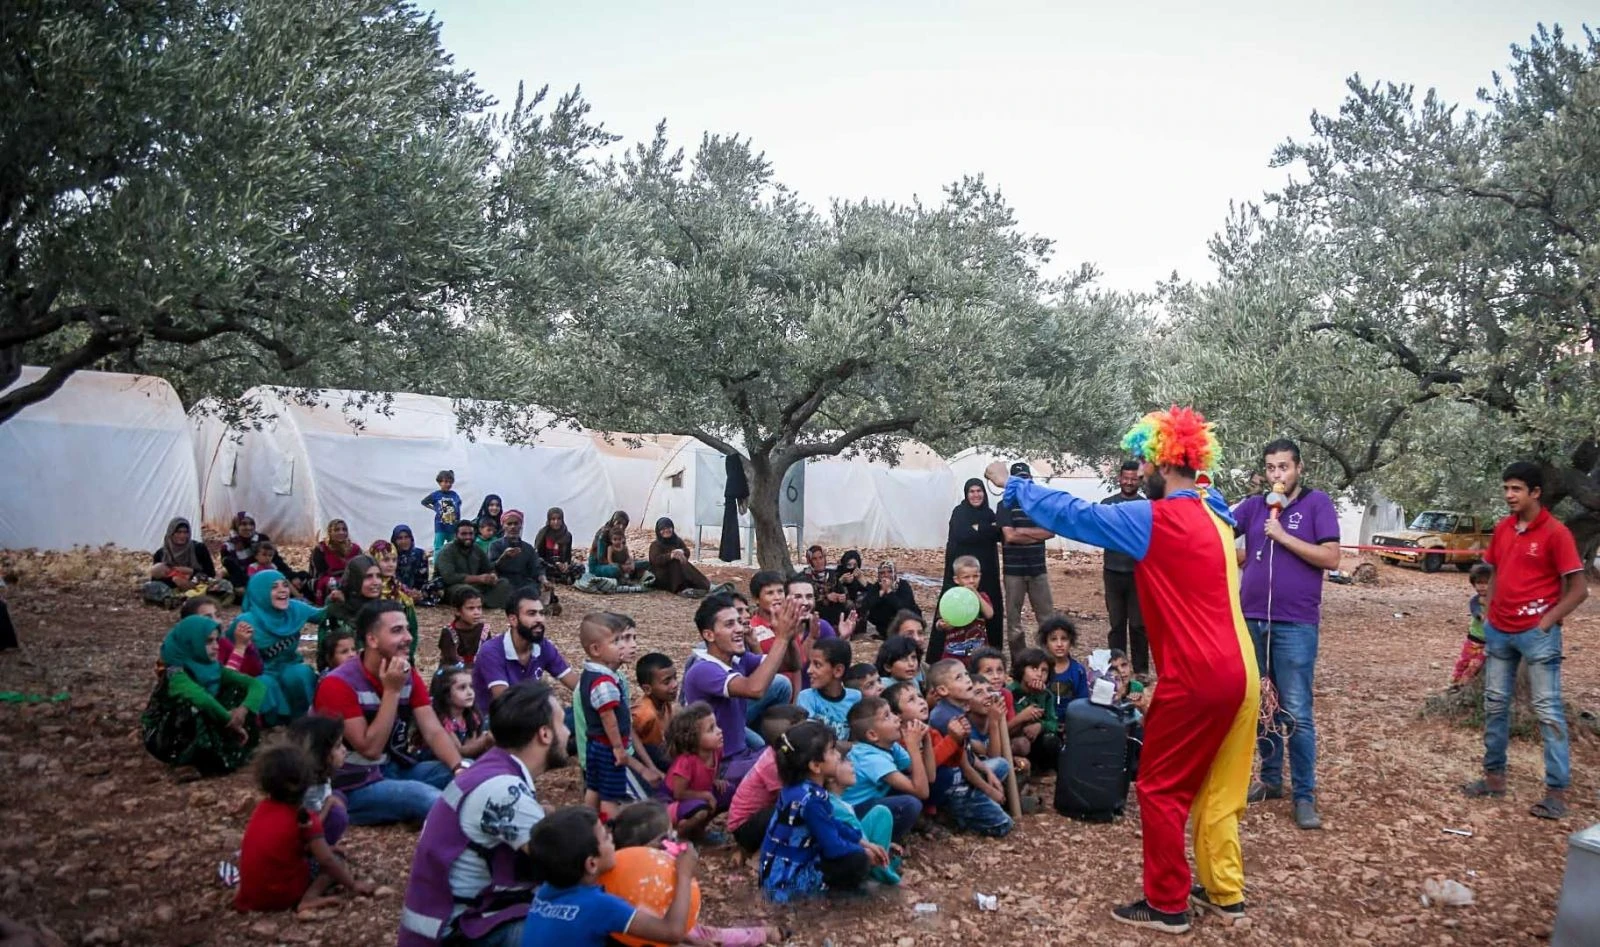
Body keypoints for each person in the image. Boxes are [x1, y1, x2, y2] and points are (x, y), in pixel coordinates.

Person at [984, 406, 1259, 933]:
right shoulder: (1214, 509)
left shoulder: (1156, 519)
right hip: (1242, 669)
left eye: (1144, 462)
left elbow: (1075, 515)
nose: (1139, 473)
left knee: (1158, 786)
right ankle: (1225, 893)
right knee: (1221, 789)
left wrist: (1014, 485)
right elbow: (1212, 496)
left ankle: (1167, 904)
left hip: (1198, 674)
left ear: (1161, 461)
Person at [398, 681, 571, 947]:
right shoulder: (503, 789)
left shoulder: (491, 769)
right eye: (562, 723)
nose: (569, 732)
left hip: (446, 923)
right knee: (577, 924)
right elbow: (567, 864)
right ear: (545, 734)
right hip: (457, 933)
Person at [1463, 461, 1588, 820]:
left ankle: (1557, 791)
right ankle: (1493, 777)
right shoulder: (1504, 528)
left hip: (1537, 634)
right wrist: (1488, 611)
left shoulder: (1557, 533)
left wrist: (1548, 620)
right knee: (1495, 705)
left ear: (1535, 493)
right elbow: (1496, 570)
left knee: (1548, 711)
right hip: (1500, 630)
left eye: (1516, 489)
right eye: (1506, 489)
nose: (1508, 495)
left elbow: (1578, 589)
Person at [1232, 438, 1341, 830]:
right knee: (1264, 703)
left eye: (1284, 467)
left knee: (1295, 710)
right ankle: (1271, 779)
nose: (1277, 475)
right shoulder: (1255, 505)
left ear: (1299, 468)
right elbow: (1222, 529)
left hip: (1295, 624)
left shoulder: (1317, 504)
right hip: (1253, 619)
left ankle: (1305, 796)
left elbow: (1331, 557)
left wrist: (1282, 536)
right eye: (1271, 468)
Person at [313, 599, 465, 825]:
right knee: (425, 797)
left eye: (406, 629)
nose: (408, 637)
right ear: (371, 639)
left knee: (472, 774)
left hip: (392, 768)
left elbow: (433, 730)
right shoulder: (337, 684)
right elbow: (370, 749)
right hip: (352, 783)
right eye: (397, 631)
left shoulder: (406, 672)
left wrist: (458, 768)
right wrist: (391, 692)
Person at [518, 806, 698, 946]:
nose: (612, 838)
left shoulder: (548, 889)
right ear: (591, 864)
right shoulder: (599, 906)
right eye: (605, 837)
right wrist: (684, 873)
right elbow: (672, 933)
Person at [608, 802, 783, 946]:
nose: (673, 842)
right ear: (639, 850)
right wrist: (684, 874)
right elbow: (668, 932)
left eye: (673, 835)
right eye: (665, 839)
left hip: (677, 927)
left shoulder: (646, 874)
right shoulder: (624, 890)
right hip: (661, 935)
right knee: (706, 935)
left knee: (707, 933)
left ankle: (762, 934)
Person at [234, 743, 373, 912]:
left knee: (328, 854)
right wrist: (352, 884)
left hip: (250, 897)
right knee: (337, 861)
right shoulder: (305, 817)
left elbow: (287, 844)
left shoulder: (262, 809)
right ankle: (309, 898)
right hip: (281, 896)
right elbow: (326, 860)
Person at [760, 720, 888, 903]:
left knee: (856, 851)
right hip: (789, 880)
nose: (838, 755)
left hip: (773, 871)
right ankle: (838, 899)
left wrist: (862, 841)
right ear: (815, 766)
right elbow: (834, 847)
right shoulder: (812, 800)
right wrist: (863, 851)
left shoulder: (795, 788)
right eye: (832, 750)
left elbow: (831, 823)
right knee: (856, 860)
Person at [680, 594, 798, 780]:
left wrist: (789, 636)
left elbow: (791, 664)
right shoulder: (703, 669)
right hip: (720, 767)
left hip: (741, 754)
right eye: (729, 625)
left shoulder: (736, 658)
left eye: (738, 622)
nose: (739, 629)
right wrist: (781, 639)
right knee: (796, 761)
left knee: (803, 749)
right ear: (709, 635)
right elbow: (755, 689)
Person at [141, 614, 265, 775]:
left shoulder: (212, 668)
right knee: (191, 706)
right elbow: (202, 699)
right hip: (166, 735)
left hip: (209, 718)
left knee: (238, 690)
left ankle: (224, 752)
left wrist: (243, 710)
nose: (216, 646)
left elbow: (256, 685)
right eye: (208, 641)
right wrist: (231, 721)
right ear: (191, 642)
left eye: (216, 640)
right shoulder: (176, 674)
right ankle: (185, 761)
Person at [578, 613, 661, 816]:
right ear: (596, 649)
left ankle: (589, 821)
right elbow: (608, 717)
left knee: (594, 788)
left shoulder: (591, 674)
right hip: (609, 747)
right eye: (616, 641)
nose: (623, 646)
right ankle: (609, 828)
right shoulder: (604, 682)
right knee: (610, 796)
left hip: (595, 745)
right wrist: (618, 747)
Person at [924, 660, 1014, 838]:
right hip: (953, 784)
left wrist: (988, 772)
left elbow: (970, 756)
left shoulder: (957, 711)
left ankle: (979, 798)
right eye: (959, 677)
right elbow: (964, 766)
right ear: (943, 690)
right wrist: (990, 791)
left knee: (1001, 765)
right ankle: (956, 814)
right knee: (1004, 825)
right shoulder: (947, 719)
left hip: (965, 774)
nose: (967, 680)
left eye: (966, 674)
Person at [228, 570, 325, 724]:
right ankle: (274, 726)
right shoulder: (246, 621)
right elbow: (225, 652)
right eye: (274, 587)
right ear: (261, 592)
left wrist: (340, 599)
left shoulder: (294, 609)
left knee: (299, 674)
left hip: (290, 664)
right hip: (260, 671)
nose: (282, 590)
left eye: (285, 585)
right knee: (265, 684)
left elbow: (324, 615)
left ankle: (305, 720)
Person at [473, 587, 580, 716]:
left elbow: (576, 685)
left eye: (541, 613)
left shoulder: (543, 646)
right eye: (531, 613)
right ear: (513, 619)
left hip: (530, 717)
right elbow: (505, 703)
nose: (540, 619)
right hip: (494, 723)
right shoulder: (491, 651)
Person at [840, 697, 931, 844]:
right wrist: (913, 746)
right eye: (887, 716)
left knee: (914, 780)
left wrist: (926, 739)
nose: (897, 718)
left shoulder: (890, 746)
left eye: (893, 713)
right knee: (910, 804)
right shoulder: (869, 757)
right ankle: (883, 843)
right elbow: (922, 792)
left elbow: (929, 777)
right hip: (852, 814)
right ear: (872, 735)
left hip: (871, 801)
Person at [728, 706, 810, 857]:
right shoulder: (773, 764)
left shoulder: (779, 754)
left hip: (755, 819)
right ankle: (756, 850)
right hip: (744, 827)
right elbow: (787, 797)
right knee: (791, 805)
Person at [995, 463, 1056, 655]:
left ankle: (1048, 661)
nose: (1024, 483)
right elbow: (1010, 536)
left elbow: (1051, 532)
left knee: (1047, 619)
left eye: (1027, 479)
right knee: (1014, 623)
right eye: (1019, 480)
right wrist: (1036, 534)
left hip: (1038, 570)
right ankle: (1019, 664)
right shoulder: (1004, 504)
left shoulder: (1040, 506)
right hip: (1014, 572)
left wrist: (1021, 531)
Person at [942, 478, 1005, 649]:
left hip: (986, 574)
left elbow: (999, 533)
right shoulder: (959, 512)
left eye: (979, 491)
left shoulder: (989, 513)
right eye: (972, 491)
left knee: (988, 611)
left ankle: (991, 653)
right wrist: (987, 529)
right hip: (962, 574)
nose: (976, 495)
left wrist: (978, 528)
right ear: (966, 494)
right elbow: (962, 534)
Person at [1103, 461, 1149, 674]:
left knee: (1139, 626)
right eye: (1126, 478)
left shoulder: (1146, 506)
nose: (1129, 482)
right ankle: (1116, 669)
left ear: (1139, 480)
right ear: (1119, 478)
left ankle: (1140, 671)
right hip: (1112, 572)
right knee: (1117, 625)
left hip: (1138, 574)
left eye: (1134, 478)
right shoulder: (1107, 505)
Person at [660, 701, 729, 840]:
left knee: (728, 792)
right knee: (701, 809)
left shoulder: (716, 750)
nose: (719, 731)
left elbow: (709, 773)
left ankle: (699, 830)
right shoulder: (686, 762)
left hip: (696, 795)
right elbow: (678, 793)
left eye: (716, 725)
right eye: (711, 729)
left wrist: (715, 781)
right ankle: (680, 835)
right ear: (693, 739)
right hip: (671, 801)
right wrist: (706, 795)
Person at [288, 714, 351, 854]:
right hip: (301, 838)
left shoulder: (319, 775)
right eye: (338, 746)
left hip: (313, 814)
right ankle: (317, 852)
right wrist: (329, 803)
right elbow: (310, 824)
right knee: (337, 815)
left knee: (339, 796)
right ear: (320, 753)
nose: (344, 750)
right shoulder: (310, 787)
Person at [145, 516, 232, 605]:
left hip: (198, 585)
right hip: (173, 589)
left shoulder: (199, 548)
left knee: (224, 585)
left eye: (185, 532)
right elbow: (155, 579)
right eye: (178, 532)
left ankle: (194, 599)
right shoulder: (161, 553)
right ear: (171, 533)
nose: (182, 536)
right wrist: (175, 581)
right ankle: (176, 600)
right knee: (150, 587)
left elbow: (210, 573)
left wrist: (191, 573)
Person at [928, 554, 995, 663]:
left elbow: (989, 614)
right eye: (966, 577)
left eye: (975, 576)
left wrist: (976, 594)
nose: (972, 581)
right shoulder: (950, 598)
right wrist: (942, 625)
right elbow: (940, 622)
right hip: (954, 652)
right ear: (957, 580)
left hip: (978, 653)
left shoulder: (982, 596)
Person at [437, 520, 514, 612]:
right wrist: (479, 578)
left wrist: (492, 576)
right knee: (466, 591)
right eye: (464, 534)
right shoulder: (447, 551)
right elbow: (449, 577)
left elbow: (488, 567)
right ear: (456, 535)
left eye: (471, 534)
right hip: (453, 587)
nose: (468, 537)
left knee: (503, 583)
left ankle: (479, 602)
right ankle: (482, 602)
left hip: (476, 586)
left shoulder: (476, 548)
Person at [221, 512, 304, 597]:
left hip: (269, 572)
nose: (248, 527)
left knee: (301, 578)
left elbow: (277, 560)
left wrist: (292, 576)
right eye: (243, 524)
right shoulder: (228, 547)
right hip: (246, 578)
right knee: (239, 592)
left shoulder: (262, 539)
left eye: (251, 524)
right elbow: (234, 571)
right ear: (236, 526)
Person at [797, 638, 861, 742]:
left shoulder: (856, 698)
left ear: (838, 671)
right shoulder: (807, 697)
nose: (809, 670)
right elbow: (811, 740)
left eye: (817, 665)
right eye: (810, 664)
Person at [1006, 647, 1060, 771]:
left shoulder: (1046, 695)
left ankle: (1042, 770)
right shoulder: (1011, 692)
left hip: (1035, 740)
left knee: (1052, 740)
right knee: (1021, 744)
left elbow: (1053, 723)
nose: (1039, 674)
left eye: (1044, 671)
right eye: (1034, 668)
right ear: (1022, 670)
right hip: (1014, 739)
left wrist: (1040, 726)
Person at [425, 667, 494, 761]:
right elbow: (460, 752)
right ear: (446, 695)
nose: (470, 692)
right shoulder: (442, 719)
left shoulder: (471, 715)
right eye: (462, 688)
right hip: (439, 761)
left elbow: (471, 747)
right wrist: (485, 738)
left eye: (471, 686)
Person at [318, 555, 382, 655]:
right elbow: (325, 650)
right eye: (368, 577)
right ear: (355, 579)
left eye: (378, 576)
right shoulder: (336, 607)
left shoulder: (382, 607)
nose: (376, 582)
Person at [633, 653, 678, 771]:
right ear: (647, 689)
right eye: (667, 682)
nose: (675, 684)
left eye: (675, 678)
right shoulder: (645, 714)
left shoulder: (665, 704)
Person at [490, 510, 547, 602]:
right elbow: (491, 567)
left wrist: (544, 580)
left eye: (516, 524)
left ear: (521, 526)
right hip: (504, 581)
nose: (513, 527)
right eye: (509, 524)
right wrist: (504, 557)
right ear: (503, 526)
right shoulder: (495, 545)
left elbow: (536, 568)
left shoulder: (528, 548)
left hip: (523, 582)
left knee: (532, 588)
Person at [1451, 564, 1493, 687]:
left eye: (1486, 583)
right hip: (1473, 639)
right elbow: (1475, 611)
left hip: (1488, 642)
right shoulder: (1476, 600)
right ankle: (1455, 679)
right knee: (1463, 661)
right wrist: (1481, 615)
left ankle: (1464, 683)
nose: (1483, 587)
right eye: (1479, 583)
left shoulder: (1497, 600)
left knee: (1475, 664)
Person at [649, 517, 712, 597]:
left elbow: (687, 552)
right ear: (658, 531)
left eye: (668, 528)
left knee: (682, 560)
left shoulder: (677, 540)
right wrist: (670, 556)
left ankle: (703, 585)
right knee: (676, 561)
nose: (666, 530)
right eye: (663, 529)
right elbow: (655, 560)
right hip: (663, 576)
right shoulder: (655, 545)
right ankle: (681, 589)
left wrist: (682, 552)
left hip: (677, 573)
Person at [1041, 615, 1088, 722]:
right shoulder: (1041, 669)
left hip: (1072, 723)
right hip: (1044, 723)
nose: (1059, 644)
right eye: (1053, 639)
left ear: (1071, 642)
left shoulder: (1078, 671)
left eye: (1064, 639)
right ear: (1046, 643)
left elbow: (1082, 702)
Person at [858, 561, 920, 639]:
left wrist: (889, 592)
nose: (886, 575)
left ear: (895, 573)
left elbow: (904, 608)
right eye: (882, 573)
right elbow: (865, 605)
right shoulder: (877, 586)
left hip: (904, 620)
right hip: (884, 623)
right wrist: (881, 593)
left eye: (890, 572)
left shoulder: (903, 585)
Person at [308, 518, 362, 606]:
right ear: (330, 532)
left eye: (344, 529)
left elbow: (361, 567)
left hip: (350, 577)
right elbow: (319, 573)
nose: (341, 532)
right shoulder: (321, 549)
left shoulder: (355, 549)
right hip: (326, 578)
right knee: (334, 585)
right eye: (337, 530)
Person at [587, 511, 651, 583]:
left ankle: (630, 575)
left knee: (646, 563)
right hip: (600, 565)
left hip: (619, 563)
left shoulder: (620, 533)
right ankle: (627, 575)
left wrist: (630, 563)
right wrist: (621, 566)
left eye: (624, 525)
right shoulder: (603, 534)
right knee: (615, 570)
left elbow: (624, 554)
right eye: (618, 523)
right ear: (613, 521)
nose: (621, 526)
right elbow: (601, 559)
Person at [533, 507, 579, 596]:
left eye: (559, 519)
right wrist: (555, 563)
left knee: (579, 567)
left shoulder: (567, 535)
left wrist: (566, 563)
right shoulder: (543, 534)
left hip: (561, 566)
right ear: (549, 520)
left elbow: (568, 555)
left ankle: (559, 577)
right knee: (539, 563)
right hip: (548, 564)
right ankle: (558, 577)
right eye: (553, 519)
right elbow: (539, 554)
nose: (556, 522)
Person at [439, 586, 488, 669]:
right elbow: (451, 662)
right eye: (471, 608)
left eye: (479, 608)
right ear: (457, 611)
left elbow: (488, 656)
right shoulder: (449, 632)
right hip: (454, 673)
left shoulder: (484, 630)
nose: (477, 613)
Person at [391, 525, 437, 605]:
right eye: (400, 538)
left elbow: (423, 577)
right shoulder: (391, 556)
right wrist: (405, 590)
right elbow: (392, 577)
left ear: (411, 538)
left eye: (406, 537)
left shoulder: (419, 553)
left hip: (416, 590)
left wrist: (416, 590)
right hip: (398, 588)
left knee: (438, 584)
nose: (404, 541)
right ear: (394, 540)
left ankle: (413, 598)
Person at [421, 469, 464, 554]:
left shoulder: (454, 494)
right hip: (440, 526)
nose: (448, 484)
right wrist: (434, 508)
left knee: (454, 547)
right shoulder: (436, 495)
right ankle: (437, 565)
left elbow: (458, 505)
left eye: (450, 482)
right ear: (440, 482)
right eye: (445, 482)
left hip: (452, 526)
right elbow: (424, 502)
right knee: (438, 547)